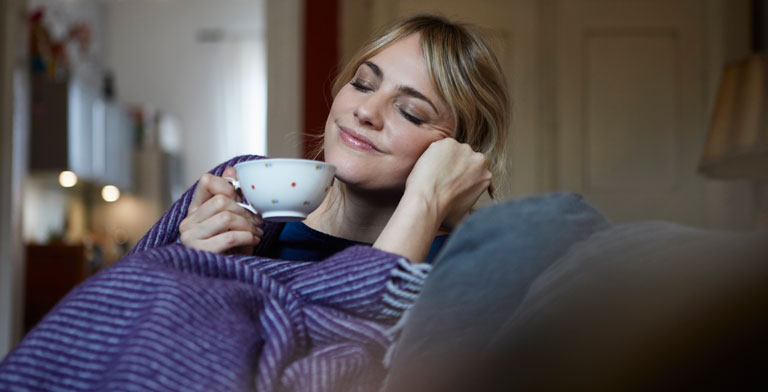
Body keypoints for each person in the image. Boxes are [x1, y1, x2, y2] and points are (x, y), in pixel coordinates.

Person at [179, 14, 509, 264]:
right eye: (363, 84)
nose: (366, 111)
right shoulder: (240, 205)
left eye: (411, 112)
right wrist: (200, 269)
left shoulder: (472, 269)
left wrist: (428, 200)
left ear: (459, 152)